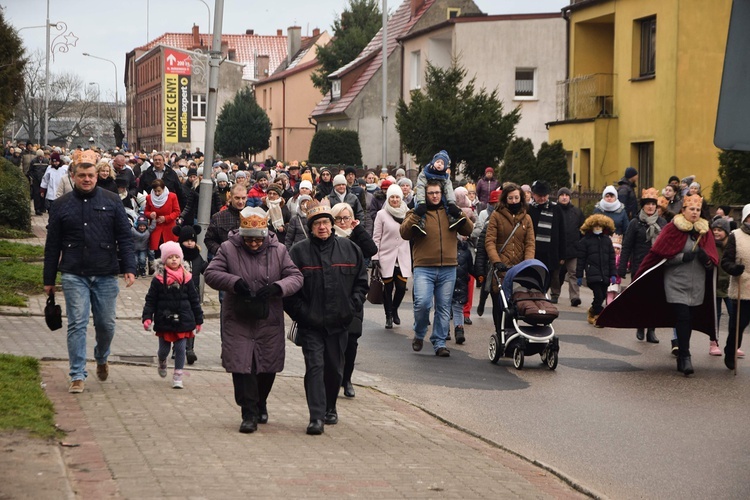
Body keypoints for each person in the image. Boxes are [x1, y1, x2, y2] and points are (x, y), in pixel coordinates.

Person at [43, 150, 136, 393]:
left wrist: (129, 267)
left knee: (106, 324)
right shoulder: (61, 205)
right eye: (82, 175)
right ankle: (77, 374)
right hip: (74, 272)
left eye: (91, 175)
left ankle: (102, 356)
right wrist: (48, 279)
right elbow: (52, 244)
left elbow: (125, 237)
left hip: (105, 271)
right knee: (77, 323)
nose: (87, 179)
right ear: (73, 176)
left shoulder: (111, 200)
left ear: (97, 176)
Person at [204, 207, 303, 433]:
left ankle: (260, 401)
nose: (254, 244)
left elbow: (296, 276)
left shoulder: (278, 250)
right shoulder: (228, 249)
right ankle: (248, 413)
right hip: (238, 317)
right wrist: (233, 282)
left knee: (266, 367)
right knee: (241, 366)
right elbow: (211, 273)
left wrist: (278, 288)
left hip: (268, 318)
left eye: (258, 241)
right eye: (249, 240)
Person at [600, 195, 718, 376]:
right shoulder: (672, 229)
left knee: (690, 318)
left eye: (697, 210)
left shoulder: (705, 232)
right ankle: (685, 356)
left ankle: (682, 355)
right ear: (683, 210)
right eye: (691, 209)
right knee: (683, 317)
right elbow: (662, 257)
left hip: (697, 285)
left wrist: (706, 260)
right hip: (676, 282)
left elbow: (712, 261)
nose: (694, 213)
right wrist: (681, 257)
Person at [283, 201, 368, 435]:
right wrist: (302, 314)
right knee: (315, 367)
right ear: (310, 228)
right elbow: (289, 289)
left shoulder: (350, 249)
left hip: (339, 323)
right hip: (311, 324)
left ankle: (331, 407)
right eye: (317, 223)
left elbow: (361, 283)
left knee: (334, 370)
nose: (322, 227)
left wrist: (351, 307)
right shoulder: (298, 252)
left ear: (332, 225)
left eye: (325, 223)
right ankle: (316, 417)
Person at [400, 178, 474, 357]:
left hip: (448, 267)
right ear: (425, 195)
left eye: (437, 193)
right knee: (423, 303)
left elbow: (469, 230)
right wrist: (417, 214)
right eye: (431, 193)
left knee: (443, 307)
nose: (434, 196)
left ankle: (439, 342)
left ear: (442, 194)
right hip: (424, 267)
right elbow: (404, 233)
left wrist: (459, 213)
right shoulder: (416, 211)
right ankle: (419, 333)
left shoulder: (448, 212)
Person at [330, 203, 378, 398]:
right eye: (339, 219)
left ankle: (347, 378)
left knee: (351, 341)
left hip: (354, 296)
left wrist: (357, 228)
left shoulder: (356, 235)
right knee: (333, 342)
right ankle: (333, 376)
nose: (343, 222)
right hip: (332, 296)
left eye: (346, 218)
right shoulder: (329, 238)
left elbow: (371, 249)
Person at [141, 241, 203, 389]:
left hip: (183, 319)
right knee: (164, 350)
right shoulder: (158, 279)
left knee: (181, 348)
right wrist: (147, 317)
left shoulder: (187, 277)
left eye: (177, 257)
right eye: (170, 257)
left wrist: (198, 319)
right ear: (164, 260)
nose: (174, 259)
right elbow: (151, 300)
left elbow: (194, 300)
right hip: (165, 318)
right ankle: (162, 361)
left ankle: (178, 375)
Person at [485, 183, 536, 333]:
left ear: (521, 198)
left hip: (519, 269)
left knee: (516, 304)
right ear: (505, 199)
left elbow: (530, 243)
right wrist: (496, 261)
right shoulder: (496, 216)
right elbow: (490, 241)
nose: (514, 201)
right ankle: (500, 332)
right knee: (499, 304)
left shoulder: (526, 219)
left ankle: (511, 332)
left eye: (516, 197)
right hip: (501, 268)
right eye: (510, 198)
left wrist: (527, 263)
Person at [618, 188, 667, 342]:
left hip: (657, 266)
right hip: (639, 264)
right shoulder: (635, 223)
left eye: (653, 204)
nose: (651, 207)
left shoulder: (662, 223)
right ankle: (640, 325)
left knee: (654, 299)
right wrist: (622, 267)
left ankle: (651, 330)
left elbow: (667, 244)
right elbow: (627, 246)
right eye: (648, 204)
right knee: (640, 297)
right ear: (643, 206)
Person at [373, 183, 412, 330]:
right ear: (388, 198)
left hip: (402, 256)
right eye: (392, 197)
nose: (395, 200)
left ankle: (395, 308)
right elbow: (376, 237)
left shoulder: (408, 213)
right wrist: (375, 257)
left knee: (401, 287)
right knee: (387, 288)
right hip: (386, 256)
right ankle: (388, 315)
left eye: (397, 197)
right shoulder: (381, 214)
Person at [720, 203, 750, 370]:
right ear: (745, 218)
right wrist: (734, 269)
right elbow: (726, 261)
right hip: (741, 287)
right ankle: (730, 351)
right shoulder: (735, 236)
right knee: (738, 325)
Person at [174, 224, 207, 365]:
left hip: (193, 297)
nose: (190, 243)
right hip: (176, 296)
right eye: (187, 240)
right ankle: (177, 348)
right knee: (177, 322)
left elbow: (207, 270)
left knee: (191, 322)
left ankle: (189, 349)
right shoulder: (176, 257)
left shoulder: (197, 258)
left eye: (192, 240)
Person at [576, 214, 617, 326]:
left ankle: (593, 310)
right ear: (591, 227)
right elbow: (581, 259)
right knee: (598, 295)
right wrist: (579, 275)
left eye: (600, 226)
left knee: (603, 295)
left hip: (605, 274)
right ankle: (599, 318)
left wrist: (613, 273)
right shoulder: (585, 241)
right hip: (592, 274)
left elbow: (611, 258)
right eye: (596, 226)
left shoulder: (607, 241)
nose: (598, 228)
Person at [412, 150, 464, 235]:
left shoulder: (445, 176)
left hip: (440, 194)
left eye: (442, 163)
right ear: (433, 162)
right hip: (425, 194)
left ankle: (451, 218)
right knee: (418, 204)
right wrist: (421, 201)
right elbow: (420, 186)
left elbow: (448, 189)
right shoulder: (425, 172)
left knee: (446, 202)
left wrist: (451, 202)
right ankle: (420, 221)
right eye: (438, 161)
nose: (439, 164)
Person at [527, 180, 565, 289]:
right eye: (539, 196)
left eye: (545, 195)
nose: (542, 198)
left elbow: (561, 232)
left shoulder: (556, 208)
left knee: (547, 280)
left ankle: (542, 297)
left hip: (550, 253)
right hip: (533, 251)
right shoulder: (529, 209)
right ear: (533, 195)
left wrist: (562, 255)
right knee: (532, 279)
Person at [553, 187, 584, 306]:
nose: (564, 197)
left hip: (573, 248)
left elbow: (582, 229)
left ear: (570, 197)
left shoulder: (577, 212)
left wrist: (580, 244)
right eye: (562, 195)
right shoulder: (554, 210)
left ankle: (575, 297)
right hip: (557, 249)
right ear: (558, 197)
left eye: (567, 195)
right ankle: (555, 294)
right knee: (556, 274)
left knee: (573, 273)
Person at [205, 184, 247, 258]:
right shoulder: (218, 217)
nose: (241, 201)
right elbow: (209, 240)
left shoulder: (253, 216)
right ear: (230, 197)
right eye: (237, 198)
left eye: (243, 198)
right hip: (224, 260)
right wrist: (222, 251)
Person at [711, 217, 732, 356]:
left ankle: (734, 344)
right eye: (715, 230)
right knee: (716, 315)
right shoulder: (712, 245)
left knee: (735, 314)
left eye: (720, 230)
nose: (717, 232)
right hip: (716, 285)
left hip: (730, 286)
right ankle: (714, 342)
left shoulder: (732, 246)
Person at [144, 179, 180, 253]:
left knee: (170, 252)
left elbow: (177, 212)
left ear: (163, 189)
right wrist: (150, 215)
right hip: (156, 229)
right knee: (156, 253)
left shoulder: (172, 196)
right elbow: (146, 211)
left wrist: (166, 218)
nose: (157, 193)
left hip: (169, 229)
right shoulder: (149, 197)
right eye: (155, 191)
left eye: (159, 191)